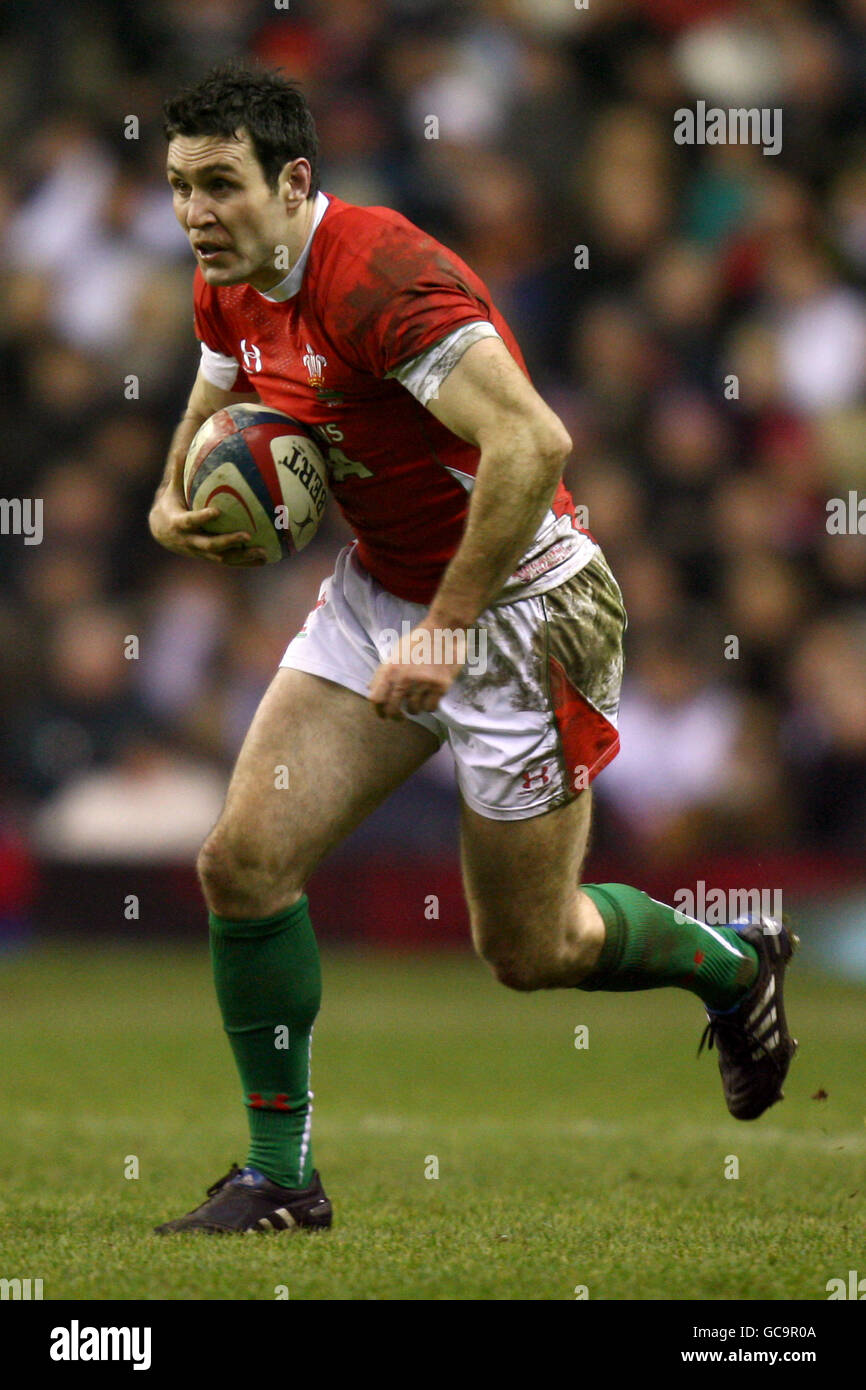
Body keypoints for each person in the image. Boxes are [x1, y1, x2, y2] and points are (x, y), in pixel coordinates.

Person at [149, 65, 797, 1235]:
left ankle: (730, 963)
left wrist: (449, 625)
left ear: (294, 182)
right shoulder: (227, 276)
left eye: (219, 186)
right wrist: (165, 494)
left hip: (519, 611)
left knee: (530, 948)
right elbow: (211, 394)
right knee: (240, 865)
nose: (195, 213)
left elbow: (532, 443)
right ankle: (281, 1179)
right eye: (180, 187)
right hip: (379, 595)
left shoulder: (382, 277)